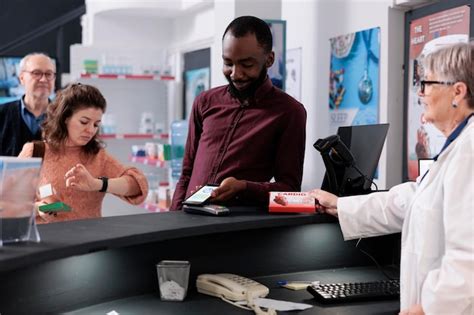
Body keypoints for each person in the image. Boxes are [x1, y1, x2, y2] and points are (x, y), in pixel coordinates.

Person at [310, 42, 474, 315]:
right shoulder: (457, 147)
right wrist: (341, 206)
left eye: (427, 83)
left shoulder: (469, 152)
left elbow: (468, 255)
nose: (421, 93)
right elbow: (413, 199)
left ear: (458, 91)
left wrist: (426, 309)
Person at [170, 16, 306, 210]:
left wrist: (243, 187)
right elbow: (186, 172)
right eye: (228, 63)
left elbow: (290, 192)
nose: (235, 73)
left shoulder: (289, 112)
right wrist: (172, 219)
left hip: (236, 232)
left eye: (247, 65)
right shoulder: (205, 102)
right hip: (187, 223)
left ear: (269, 59)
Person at [18, 83, 148, 223]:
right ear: (65, 118)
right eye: (84, 122)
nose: (91, 130)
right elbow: (7, 200)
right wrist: (38, 208)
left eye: (96, 124)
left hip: (90, 240)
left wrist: (97, 184)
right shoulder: (35, 151)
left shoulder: (98, 156)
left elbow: (138, 185)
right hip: (46, 241)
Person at [0, 53, 56, 156]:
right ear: (21, 78)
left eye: (48, 74)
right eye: (36, 73)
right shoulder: (2, 114)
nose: (43, 79)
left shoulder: (64, 116)